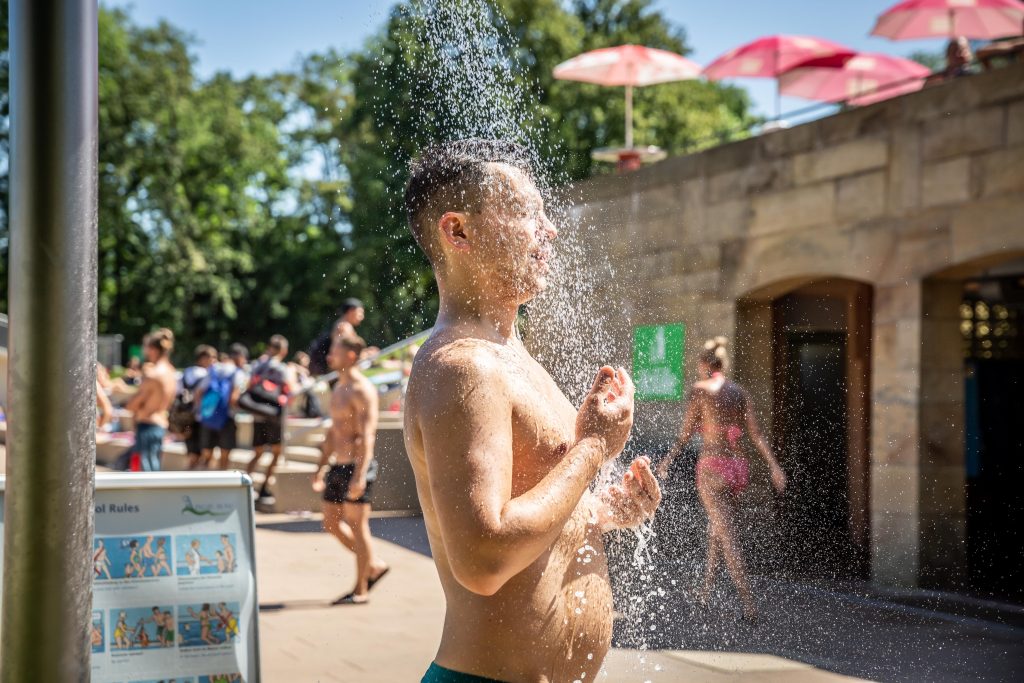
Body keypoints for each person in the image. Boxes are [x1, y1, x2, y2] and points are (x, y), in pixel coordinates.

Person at [402, 139, 661, 682]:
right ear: (458, 232)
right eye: (525, 213)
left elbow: (528, 522)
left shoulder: (509, 354)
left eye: (546, 214)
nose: (551, 231)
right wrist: (592, 449)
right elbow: (483, 559)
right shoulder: (463, 365)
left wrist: (600, 512)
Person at [656, 337, 787, 622]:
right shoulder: (739, 392)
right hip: (738, 468)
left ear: (704, 364)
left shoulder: (700, 391)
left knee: (728, 538)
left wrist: (666, 461)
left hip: (713, 468)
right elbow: (756, 435)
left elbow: (686, 433)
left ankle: (749, 605)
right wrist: (774, 467)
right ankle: (704, 592)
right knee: (718, 528)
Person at [312, 334, 389, 604]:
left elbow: (368, 436)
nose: (330, 356)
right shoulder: (338, 387)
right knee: (331, 523)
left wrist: (359, 475)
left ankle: (361, 589)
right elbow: (334, 432)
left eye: (335, 351)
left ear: (351, 356)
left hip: (358, 467)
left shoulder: (362, 389)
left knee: (358, 526)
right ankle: (373, 564)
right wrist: (321, 466)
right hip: (338, 465)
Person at [244, 335, 297, 508]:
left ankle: (245, 487)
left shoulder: (257, 365)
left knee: (257, 452)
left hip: (258, 414)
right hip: (274, 416)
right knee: (276, 452)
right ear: (284, 350)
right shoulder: (282, 369)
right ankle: (265, 487)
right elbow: (291, 391)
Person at [115, 329, 177, 471]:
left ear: (153, 349)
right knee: (153, 472)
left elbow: (132, 405)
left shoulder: (154, 375)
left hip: (147, 426)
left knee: (143, 475)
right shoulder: (171, 372)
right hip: (161, 425)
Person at [195, 352, 247, 471]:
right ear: (239, 358)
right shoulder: (237, 372)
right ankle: (222, 482)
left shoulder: (213, 370)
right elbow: (234, 398)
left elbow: (199, 393)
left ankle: (203, 483)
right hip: (226, 418)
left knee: (207, 454)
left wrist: (203, 411)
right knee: (224, 455)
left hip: (208, 417)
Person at [176, 345, 216, 469]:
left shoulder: (185, 372)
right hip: (199, 418)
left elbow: (177, 393)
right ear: (203, 358)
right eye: (212, 357)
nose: (214, 361)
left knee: (191, 451)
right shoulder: (207, 374)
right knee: (201, 452)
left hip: (186, 418)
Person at [308, 298, 365, 376]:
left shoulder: (341, 324)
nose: (362, 317)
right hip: (333, 371)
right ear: (351, 311)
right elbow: (342, 351)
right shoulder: (343, 327)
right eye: (360, 313)